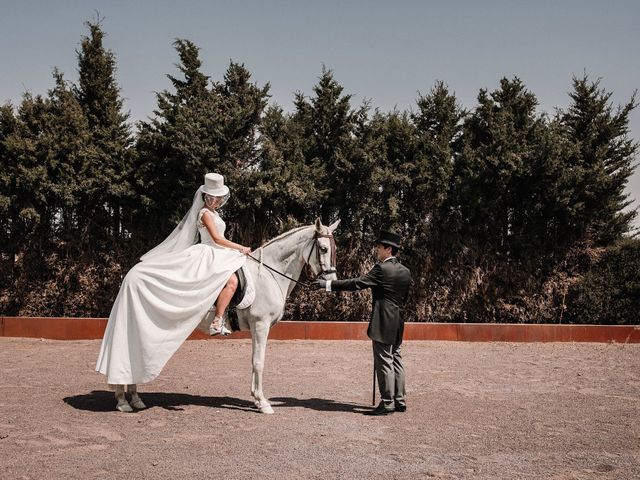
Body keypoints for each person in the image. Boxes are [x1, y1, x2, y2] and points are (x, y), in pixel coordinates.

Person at [96, 173, 251, 387]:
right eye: (213, 197)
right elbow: (216, 239)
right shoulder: (205, 213)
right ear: (206, 197)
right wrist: (240, 247)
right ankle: (217, 320)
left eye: (218, 198)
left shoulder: (214, 212)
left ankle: (220, 315)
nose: (216, 201)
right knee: (232, 281)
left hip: (218, 253)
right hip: (208, 253)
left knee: (234, 279)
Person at [312, 230, 412, 416]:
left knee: (384, 361)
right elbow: (403, 298)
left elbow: (357, 283)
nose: (377, 250)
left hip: (383, 320)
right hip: (398, 321)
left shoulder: (381, 269)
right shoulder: (405, 271)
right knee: (396, 358)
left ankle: (387, 402)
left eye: (379, 247)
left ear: (388, 249)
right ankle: (400, 400)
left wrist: (327, 285)